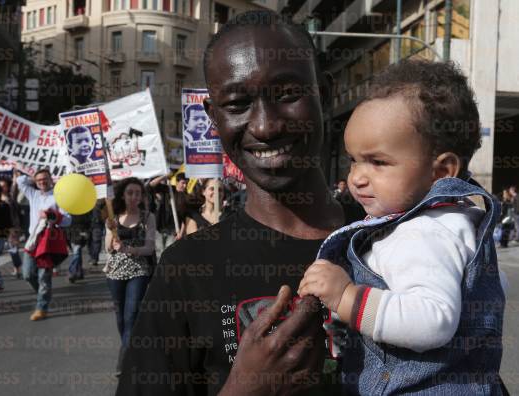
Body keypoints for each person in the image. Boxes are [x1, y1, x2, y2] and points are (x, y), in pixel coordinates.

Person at [117, 11, 344, 395]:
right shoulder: (185, 270)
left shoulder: (400, 237)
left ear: (324, 93)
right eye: (238, 104)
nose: (265, 126)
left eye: (287, 94)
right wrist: (244, 388)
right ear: (213, 117)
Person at [299, 60, 507, 393]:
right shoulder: (451, 221)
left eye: (378, 162)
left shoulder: (425, 233)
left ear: (441, 172)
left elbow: (431, 321)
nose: (357, 177)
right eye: (354, 159)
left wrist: (346, 296)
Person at [103, 178, 156, 374]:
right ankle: (130, 347)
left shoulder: (147, 217)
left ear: (142, 196)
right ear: (123, 196)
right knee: (121, 318)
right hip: (115, 271)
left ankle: (124, 361)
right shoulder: (113, 216)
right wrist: (110, 231)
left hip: (138, 271)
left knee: (131, 315)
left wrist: (129, 249)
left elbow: (149, 248)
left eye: (138, 193)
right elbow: (108, 248)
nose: (134, 197)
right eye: (130, 193)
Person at [15, 168, 71, 321]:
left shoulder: (59, 196)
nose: (42, 182)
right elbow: (20, 181)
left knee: (43, 278)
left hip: (47, 242)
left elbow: (67, 220)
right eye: (39, 180)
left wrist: (51, 215)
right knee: (27, 274)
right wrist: (31, 174)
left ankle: (41, 308)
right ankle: (43, 294)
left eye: (45, 179)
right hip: (32, 241)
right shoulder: (33, 194)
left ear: (50, 179)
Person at [148, 172, 188, 259]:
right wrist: (165, 176)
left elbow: (185, 218)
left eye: (186, 183)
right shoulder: (168, 189)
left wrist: (181, 233)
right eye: (183, 183)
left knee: (168, 253)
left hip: (173, 231)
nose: (184, 186)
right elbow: (151, 185)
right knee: (159, 253)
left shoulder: (185, 197)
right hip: (159, 228)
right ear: (177, 182)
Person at [0, 177, 23, 278]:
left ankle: (17, 269)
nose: (2, 188)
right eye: (0, 186)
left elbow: (14, 187)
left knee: (13, 248)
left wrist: (15, 178)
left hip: (12, 226)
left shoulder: (10, 197)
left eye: (4, 186)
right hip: (0, 227)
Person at [67, 212, 92, 283]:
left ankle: (72, 272)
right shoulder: (69, 212)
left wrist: (87, 232)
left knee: (77, 254)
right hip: (73, 235)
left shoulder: (84, 212)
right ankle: (79, 272)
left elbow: (88, 223)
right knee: (78, 253)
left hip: (79, 235)